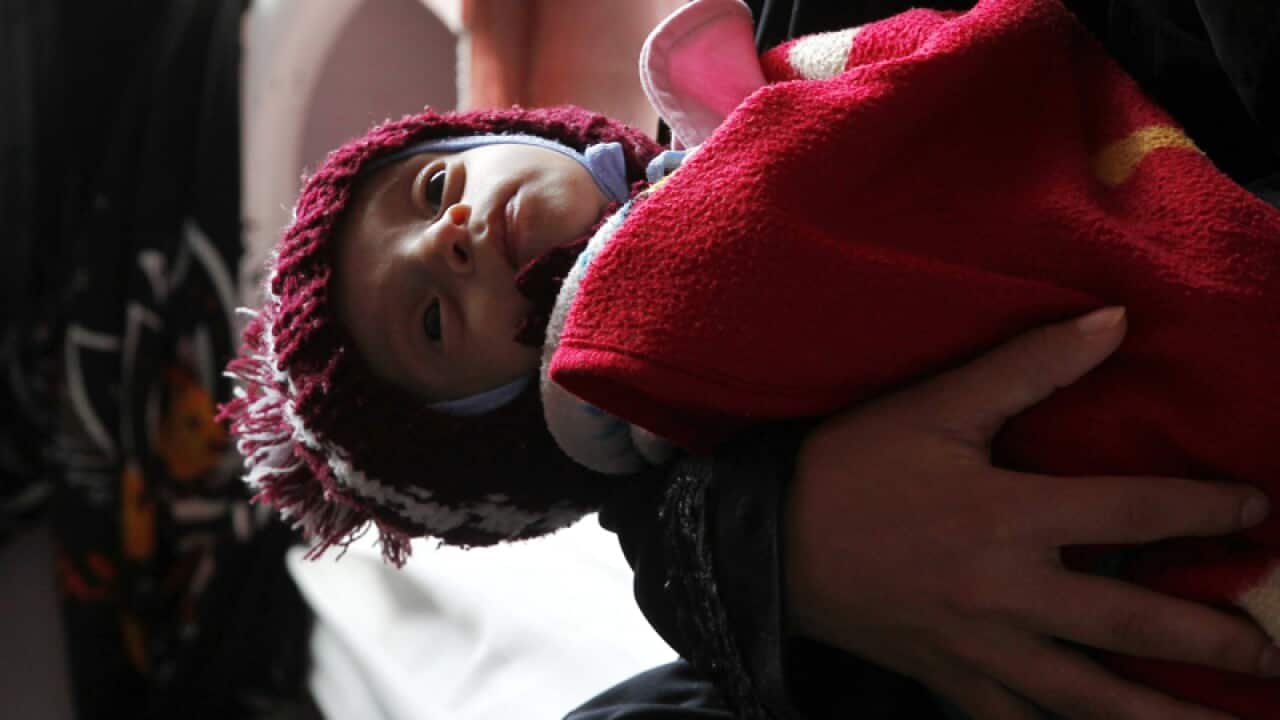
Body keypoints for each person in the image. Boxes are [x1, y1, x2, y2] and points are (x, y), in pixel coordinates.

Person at [222, 0, 1280, 716]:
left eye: (430, 188)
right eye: (434, 322)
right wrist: (748, 553)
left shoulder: (743, 81)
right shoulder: (660, 383)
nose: (448, 239)